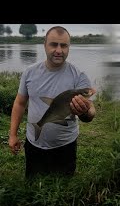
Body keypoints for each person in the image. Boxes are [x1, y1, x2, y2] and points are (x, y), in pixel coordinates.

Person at [8, 26, 96, 178]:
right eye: (54, 44)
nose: (59, 50)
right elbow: (20, 103)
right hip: (33, 144)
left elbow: (91, 113)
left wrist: (85, 111)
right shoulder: (29, 72)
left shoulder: (78, 75)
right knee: (32, 186)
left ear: (69, 47)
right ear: (44, 45)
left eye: (64, 45)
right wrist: (13, 135)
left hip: (65, 146)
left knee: (61, 190)